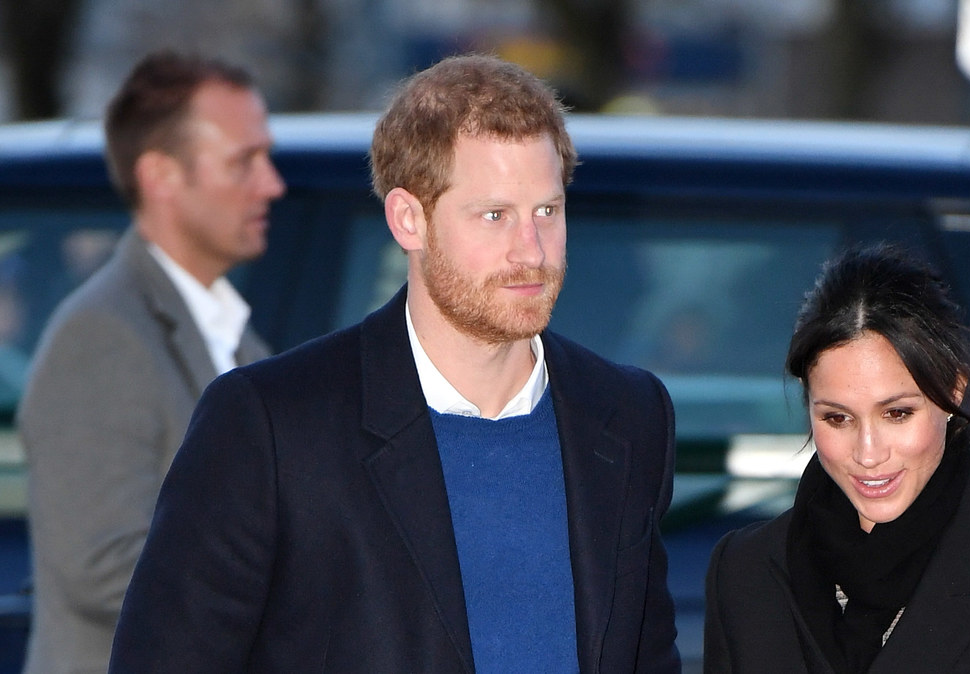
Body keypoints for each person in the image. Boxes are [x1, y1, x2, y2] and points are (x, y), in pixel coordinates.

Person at [108, 54, 681, 673]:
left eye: (547, 210)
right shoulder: (272, 425)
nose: (531, 250)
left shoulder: (626, 414)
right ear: (409, 219)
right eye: (495, 215)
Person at [703, 244, 970, 673]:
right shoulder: (745, 570)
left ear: (953, 393)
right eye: (837, 418)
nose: (869, 453)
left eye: (897, 413)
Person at [18, 51, 282, 674]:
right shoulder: (102, 334)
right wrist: (294, 583)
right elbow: (101, 565)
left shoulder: (238, 339)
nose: (271, 183)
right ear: (162, 175)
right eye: (244, 161)